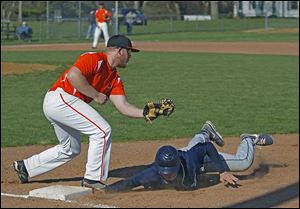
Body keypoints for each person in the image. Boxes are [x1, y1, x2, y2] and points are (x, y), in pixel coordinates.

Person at [12, 34, 174, 191]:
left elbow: (123, 106)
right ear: (119, 51)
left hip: (62, 105)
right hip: (60, 98)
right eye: (129, 52)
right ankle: (93, 179)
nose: (130, 56)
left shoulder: (114, 79)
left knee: (70, 148)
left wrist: (144, 113)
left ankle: (26, 167)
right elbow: (73, 75)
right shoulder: (95, 59)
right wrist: (96, 95)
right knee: (102, 131)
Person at [104, 121, 274, 192]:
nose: (168, 174)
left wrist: (222, 171)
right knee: (198, 141)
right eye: (164, 172)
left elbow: (207, 148)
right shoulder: (153, 171)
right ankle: (205, 131)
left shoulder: (190, 158)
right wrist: (107, 191)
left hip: (203, 158)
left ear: (177, 164)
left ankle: (248, 139)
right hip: (192, 150)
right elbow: (130, 182)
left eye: (170, 171)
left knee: (243, 163)